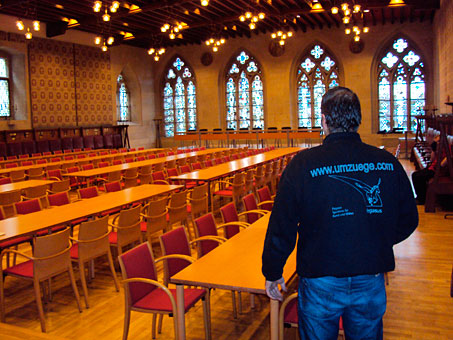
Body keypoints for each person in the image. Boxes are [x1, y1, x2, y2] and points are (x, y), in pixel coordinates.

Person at [262, 87, 418, 340]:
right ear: (358, 119)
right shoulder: (387, 163)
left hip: (320, 278)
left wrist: (272, 270)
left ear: (323, 120)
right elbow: (409, 218)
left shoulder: (302, 164)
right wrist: (376, 240)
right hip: (371, 274)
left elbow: (282, 225)